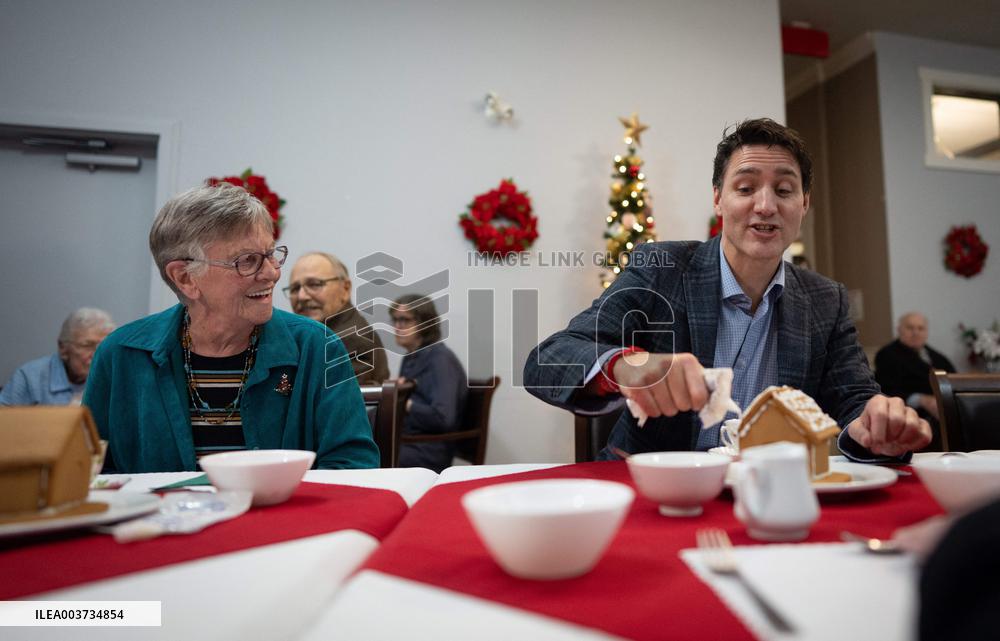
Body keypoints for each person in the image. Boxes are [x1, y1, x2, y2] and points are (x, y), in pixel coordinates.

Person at [524, 117, 931, 461]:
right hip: (662, 492)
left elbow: (855, 400)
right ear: (718, 199)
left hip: (773, 494)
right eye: (746, 188)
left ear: (804, 204)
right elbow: (546, 360)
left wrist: (872, 424)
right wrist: (625, 367)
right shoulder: (660, 269)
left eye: (785, 191)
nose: (766, 206)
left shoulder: (826, 300)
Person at [84, 183, 379, 473]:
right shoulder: (121, 356)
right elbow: (89, 475)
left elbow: (352, 467)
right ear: (186, 278)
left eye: (271, 255)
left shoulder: (316, 348)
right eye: (247, 261)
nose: (272, 273)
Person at [285, 252, 389, 385]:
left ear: (345, 289)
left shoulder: (352, 340)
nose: (301, 296)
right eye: (295, 288)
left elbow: (338, 404)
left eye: (314, 284)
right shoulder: (317, 335)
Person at [392, 294, 467, 472]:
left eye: (404, 320)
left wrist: (405, 402)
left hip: (426, 450)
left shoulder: (439, 359)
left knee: (357, 458)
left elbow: (443, 419)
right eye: (395, 320)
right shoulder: (412, 356)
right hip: (407, 442)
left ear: (425, 323)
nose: (397, 327)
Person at [0, 307, 115, 406]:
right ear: (63, 348)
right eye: (87, 345)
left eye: (102, 347)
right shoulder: (30, 378)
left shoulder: (113, 377)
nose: (96, 355)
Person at [874, 312, 956, 450]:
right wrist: (922, 400)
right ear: (899, 329)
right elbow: (886, 391)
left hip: (944, 415)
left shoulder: (938, 357)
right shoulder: (886, 355)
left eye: (920, 328)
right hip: (911, 417)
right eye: (910, 328)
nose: (915, 333)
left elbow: (954, 381)